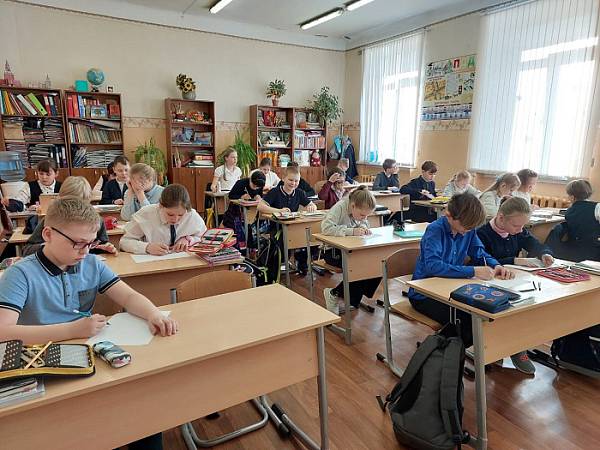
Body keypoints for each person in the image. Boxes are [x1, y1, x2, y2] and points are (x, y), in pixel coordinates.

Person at [0, 197, 177, 450]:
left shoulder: (90, 263)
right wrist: (72, 329)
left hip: (88, 355)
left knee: (142, 407)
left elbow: (128, 296)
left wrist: (153, 313)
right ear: (48, 234)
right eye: (77, 243)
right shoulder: (20, 274)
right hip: (41, 365)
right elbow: (3, 332)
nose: (84, 251)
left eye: (90, 243)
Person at [408, 193, 513, 346]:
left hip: (451, 289)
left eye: (471, 228)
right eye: (465, 227)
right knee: (466, 321)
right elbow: (433, 266)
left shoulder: (468, 229)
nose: (467, 231)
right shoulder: (435, 230)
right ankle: (436, 349)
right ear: (449, 215)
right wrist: (473, 271)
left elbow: (479, 253)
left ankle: (453, 349)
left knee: (484, 315)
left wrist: (495, 265)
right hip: (424, 294)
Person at [476, 196, 553, 375]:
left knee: (527, 305)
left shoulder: (518, 231)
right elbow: (482, 261)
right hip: (487, 285)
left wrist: (545, 254)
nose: (520, 230)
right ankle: (505, 347)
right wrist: (514, 260)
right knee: (505, 309)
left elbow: (535, 245)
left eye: (523, 226)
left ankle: (518, 345)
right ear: (501, 218)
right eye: (516, 226)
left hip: (513, 282)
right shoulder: (482, 234)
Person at [321, 186, 381, 314]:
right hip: (333, 252)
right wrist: (351, 231)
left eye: (367, 215)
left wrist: (364, 228)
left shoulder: (360, 210)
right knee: (360, 266)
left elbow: (363, 223)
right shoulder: (340, 207)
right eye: (362, 215)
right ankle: (334, 294)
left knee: (377, 263)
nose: (364, 218)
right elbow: (326, 228)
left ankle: (353, 297)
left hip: (352, 250)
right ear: (353, 206)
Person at [22, 176, 117, 257]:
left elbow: (101, 245)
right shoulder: (52, 220)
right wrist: (51, 247)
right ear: (61, 200)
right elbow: (27, 250)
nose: (75, 209)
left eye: (81, 205)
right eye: (70, 205)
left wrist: (106, 248)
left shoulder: (96, 220)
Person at [258, 165, 317, 275]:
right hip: (277, 229)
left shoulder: (299, 192)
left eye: (296, 181)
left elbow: (311, 204)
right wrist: (279, 211)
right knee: (282, 244)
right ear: (283, 178)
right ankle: (275, 269)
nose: (293, 183)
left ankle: (302, 264)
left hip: (294, 228)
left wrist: (312, 206)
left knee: (311, 239)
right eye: (290, 180)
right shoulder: (275, 192)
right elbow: (260, 207)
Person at [120, 184, 206, 255]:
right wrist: (147, 247)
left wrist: (189, 239)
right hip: (152, 264)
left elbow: (206, 238)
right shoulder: (146, 214)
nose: (175, 219)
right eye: (170, 214)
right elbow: (124, 242)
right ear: (160, 206)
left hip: (183, 263)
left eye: (181, 215)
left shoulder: (191, 214)